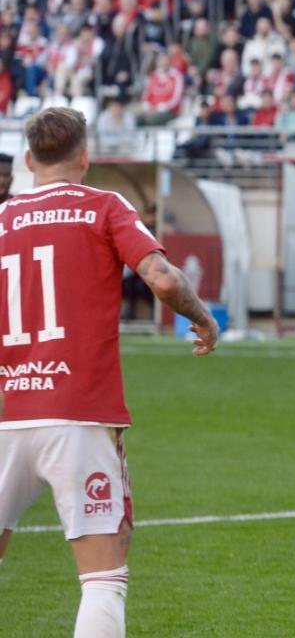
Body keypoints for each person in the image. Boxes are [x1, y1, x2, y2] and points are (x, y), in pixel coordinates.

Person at [0, 107, 219, 638]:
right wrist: (204, 319)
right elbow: (163, 281)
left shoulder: (1, 217)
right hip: (78, 412)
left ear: (28, 160)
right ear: (85, 156)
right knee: (102, 580)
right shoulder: (104, 206)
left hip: (5, 411)